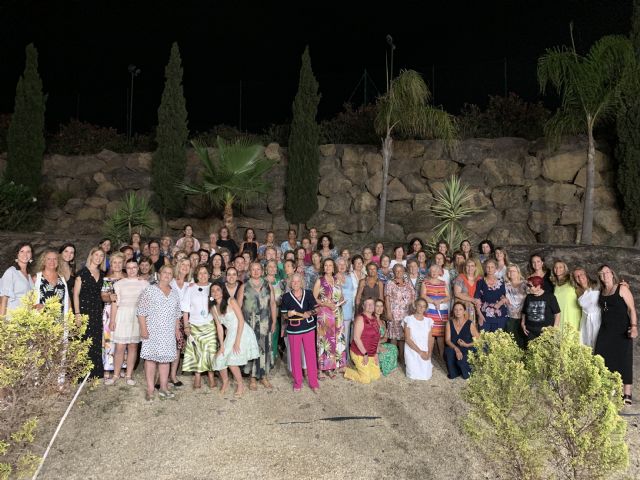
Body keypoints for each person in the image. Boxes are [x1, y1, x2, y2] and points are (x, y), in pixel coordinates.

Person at [136, 265, 182, 401]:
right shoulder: (150, 290)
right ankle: (150, 389)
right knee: (150, 359)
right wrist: (143, 329)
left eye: (170, 273)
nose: (167, 275)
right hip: (152, 331)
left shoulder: (174, 293)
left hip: (168, 333)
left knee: (165, 360)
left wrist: (177, 330)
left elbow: (177, 314)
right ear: (159, 274)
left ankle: (163, 387)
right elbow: (141, 312)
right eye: (165, 272)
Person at [595, 265, 637, 405]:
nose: (605, 274)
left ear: (612, 274)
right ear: (600, 276)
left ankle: (627, 394)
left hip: (622, 330)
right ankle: (607, 389)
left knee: (624, 359)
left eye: (607, 272)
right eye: (602, 273)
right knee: (602, 357)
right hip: (606, 330)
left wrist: (634, 327)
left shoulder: (622, 288)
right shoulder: (601, 291)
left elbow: (631, 309)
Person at [211, 281, 260, 397]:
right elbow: (219, 327)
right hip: (230, 334)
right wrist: (222, 345)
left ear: (222, 290)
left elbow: (241, 320)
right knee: (219, 358)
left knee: (232, 361)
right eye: (213, 291)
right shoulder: (213, 308)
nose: (215, 292)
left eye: (218, 289)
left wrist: (237, 341)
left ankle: (240, 384)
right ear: (211, 295)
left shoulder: (231, 301)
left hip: (241, 332)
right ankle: (225, 381)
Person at [109, 259, 148, 385]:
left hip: (137, 317)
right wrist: (112, 320)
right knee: (119, 347)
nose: (131, 270)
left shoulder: (144, 284)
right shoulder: (119, 284)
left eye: (134, 267)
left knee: (133, 346)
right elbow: (115, 303)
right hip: (122, 315)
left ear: (138, 268)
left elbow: (148, 303)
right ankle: (115, 374)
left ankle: (129, 375)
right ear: (125, 269)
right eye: (129, 267)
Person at [240, 262, 277, 389]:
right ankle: (252, 378)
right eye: (253, 269)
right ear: (249, 271)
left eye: (258, 269)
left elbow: (272, 303)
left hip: (265, 323)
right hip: (249, 323)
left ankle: (263, 376)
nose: (255, 271)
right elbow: (239, 306)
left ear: (262, 271)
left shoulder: (268, 285)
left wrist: (274, 321)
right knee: (251, 349)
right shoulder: (244, 286)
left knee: (264, 348)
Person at [280, 273, 319, 392]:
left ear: (302, 282)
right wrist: (288, 315)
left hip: (308, 328)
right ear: (290, 283)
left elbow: (316, 309)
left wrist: (310, 313)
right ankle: (298, 382)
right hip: (294, 329)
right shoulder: (286, 297)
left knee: (311, 355)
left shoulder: (308, 293)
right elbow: (284, 315)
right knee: (295, 356)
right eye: (293, 282)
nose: (295, 283)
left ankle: (314, 382)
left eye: (297, 281)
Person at [181, 265, 217, 389]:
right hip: (194, 324)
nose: (203, 275)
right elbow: (185, 309)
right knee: (197, 352)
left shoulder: (213, 287)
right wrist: (186, 326)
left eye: (205, 273)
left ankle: (211, 375)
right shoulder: (191, 288)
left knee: (210, 351)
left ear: (209, 274)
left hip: (210, 324)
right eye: (200, 273)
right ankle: (197, 376)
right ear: (196, 275)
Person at [74, 248, 105, 378]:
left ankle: (95, 373)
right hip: (84, 310)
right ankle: (82, 374)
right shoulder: (82, 273)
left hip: (98, 311)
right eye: (96, 255)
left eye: (101, 256)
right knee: (84, 340)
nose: (98, 257)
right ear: (91, 256)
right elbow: (75, 294)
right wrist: (77, 314)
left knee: (96, 340)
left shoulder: (103, 274)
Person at [313, 258, 347, 378]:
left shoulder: (337, 280)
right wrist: (325, 303)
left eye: (330, 265)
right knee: (325, 341)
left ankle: (332, 367)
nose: (328, 267)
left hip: (338, 314)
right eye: (326, 265)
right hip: (325, 315)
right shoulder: (320, 281)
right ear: (323, 267)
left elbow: (341, 296)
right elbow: (313, 299)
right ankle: (322, 368)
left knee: (336, 340)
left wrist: (342, 301)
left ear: (334, 268)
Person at [344, 298, 382, 384]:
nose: (370, 306)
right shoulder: (360, 318)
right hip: (360, 352)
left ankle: (359, 368)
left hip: (371, 353)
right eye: (367, 304)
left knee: (376, 376)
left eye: (372, 304)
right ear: (363, 306)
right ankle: (345, 370)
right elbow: (356, 338)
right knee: (366, 379)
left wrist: (375, 353)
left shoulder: (375, 319)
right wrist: (365, 354)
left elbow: (376, 338)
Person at [101, 252, 125, 383]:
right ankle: (107, 367)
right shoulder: (106, 279)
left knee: (122, 340)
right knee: (108, 340)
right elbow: (103, 296)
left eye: (119, 262)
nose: (117, 265)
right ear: (111, 263)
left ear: (123, 264)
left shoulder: (128, 278)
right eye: (114, 262)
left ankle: (120, 366)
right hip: (109, 311)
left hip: (124, 312)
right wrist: (109, 297)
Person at [385, 264, 415, 363]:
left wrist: (412, 310)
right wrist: (388, 312)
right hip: (394, 312)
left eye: (400, 271)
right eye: (396, 271)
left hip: (406, 313)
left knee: (402, 336)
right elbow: (387, 298)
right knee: (394, 336)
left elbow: (413, 296)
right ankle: (393, 357)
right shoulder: (389, 283)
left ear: (404, 272)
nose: (399, 273)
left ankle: (401, 357)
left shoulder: (408, 283)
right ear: (393, 272)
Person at [521, 275, 561, 346]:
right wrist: (523, 324)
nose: (528, 288)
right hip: (530, 331)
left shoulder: (550, 297)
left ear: (538, 286)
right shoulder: (528, 297)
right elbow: (524, 312)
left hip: (545, 331)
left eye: (530, 286)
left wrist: (554, 329)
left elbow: (557, 313)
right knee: (531, 353)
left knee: (545, 353)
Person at [444, 302, 479, 379]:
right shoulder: (449, 323)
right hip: (454, 347)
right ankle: (455, 372)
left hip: (467, 348)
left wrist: (466, 345)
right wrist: (456, 349)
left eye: (460, 309)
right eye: (455, 309)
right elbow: (447, 340)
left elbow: (479, 340)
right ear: (453, 311)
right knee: (448, 352)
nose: (458, 311)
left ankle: (465, 368)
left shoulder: (470, 324)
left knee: (462, 365)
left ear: (464, 311)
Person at [422, 264, 450, 357]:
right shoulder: (425, 282)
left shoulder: (443, 283)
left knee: (441, 334)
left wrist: (440, 301)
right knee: (430, 333)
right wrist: (434, 302)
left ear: (439, 272)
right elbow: (423, 296)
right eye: (432, 271)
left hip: (441, 312)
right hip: (430, 311)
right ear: (430, 272)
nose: (434, 273)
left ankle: (441, 356)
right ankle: (429, 355)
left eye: (436, 271)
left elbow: (448, 297)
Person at [0, 242, 34, 316]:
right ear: (17, 254)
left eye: (28, 252)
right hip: (12, 318)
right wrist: (2, 322)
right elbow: (4, 298)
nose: (25, 254)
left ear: (31, 255)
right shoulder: (11, 272)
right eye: (22, 251)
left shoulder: (29, 275)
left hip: (26, 318)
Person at [404, 298, 434, 381]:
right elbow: (407, 339)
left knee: (426, 375)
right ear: (415, 306)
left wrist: (429, 354)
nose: (421, 308)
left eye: (423, 306)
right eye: (419, 306)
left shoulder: (428, 321)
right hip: (412, 350)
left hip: (425, 350)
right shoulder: (409, 319)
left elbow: (430, 339)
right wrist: (420, 352)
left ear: (426, 308)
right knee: (412, 375)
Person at [474, 259, 508, 332]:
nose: (490, 269)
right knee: (484, 341)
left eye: (492, 267)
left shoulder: (501, 282)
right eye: (488, 267)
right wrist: (479, 315)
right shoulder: (480, 282)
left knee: (498, 341)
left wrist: (500, 303)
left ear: (496, 269)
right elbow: (477, 299)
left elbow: (505, 298)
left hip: (500, 315)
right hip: (484, 316)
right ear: (485, 269)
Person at [572, 267, 601, 349]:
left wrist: (622, 285)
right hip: (585, 321)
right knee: (586, 347)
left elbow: (610, 288)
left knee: (598, 345)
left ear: (586, 275)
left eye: (581, 274)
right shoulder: (576, 290)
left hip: (598, 319)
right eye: (576, 276)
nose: (580, 277)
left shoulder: (597, 285)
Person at [551, 260, 581, 332]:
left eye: (560, 267)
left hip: (572, 315)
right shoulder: (555, 284)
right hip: (560, 315)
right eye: (555, 267)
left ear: (565, 269)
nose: (558, 269)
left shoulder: (571, 280)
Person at [336, 257, 356, 364]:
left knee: (346, 336)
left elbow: (353, 294)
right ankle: (336, 359)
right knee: (336, 336)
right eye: (339, 264)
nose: (342, 266)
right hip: (336, 311)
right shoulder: (333, 278)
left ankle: (345, 360)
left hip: (348, 311)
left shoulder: (349, 278)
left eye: (344, 264)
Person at [504, 264, 527, 348]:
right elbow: (501, 296)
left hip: (523, 317)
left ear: (518, 272)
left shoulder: (525, 284)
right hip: (510, 317)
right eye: (509, 271)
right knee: (511, 341)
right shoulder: (505, 285)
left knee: (522, 342)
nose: (511, 272)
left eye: (513, 271)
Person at [374, 298, 398, 376]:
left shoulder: (383, 321)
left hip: (379, 343)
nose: (379, 308)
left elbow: (385, 338)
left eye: (381, 306)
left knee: (393, 348)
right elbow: (370, 338)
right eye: (377, 306)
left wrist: (380, 343)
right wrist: (378, 346)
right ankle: (384, 370)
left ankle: (390, 368)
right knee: (386, 352)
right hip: (371, 345)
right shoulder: (371, 320)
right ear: (373, 307)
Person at [453, 259, 481, 323]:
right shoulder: (460, 277)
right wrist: (472, 300)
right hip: (462, 307)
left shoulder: (479, 279)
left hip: (476, 307)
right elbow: (457, 293)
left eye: (472, 266)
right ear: (465, 267)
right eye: (468, 266)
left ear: (475, 267)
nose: (470, 268)